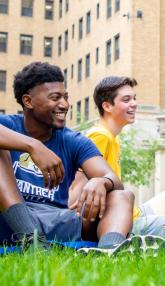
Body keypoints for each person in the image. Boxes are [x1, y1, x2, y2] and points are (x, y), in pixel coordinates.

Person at [0, 62, 136, 255]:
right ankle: (32, 242)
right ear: (28, 101)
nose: (64, 105)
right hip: (10, 219)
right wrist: (33, 145)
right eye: (55, 98)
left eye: (65, 97)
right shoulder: (7, 125)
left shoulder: (74, 140)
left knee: (122, 196)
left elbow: (113, 179)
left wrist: (102, 181)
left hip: (56, 219)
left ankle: (109, 254)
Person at [70, 76, 165, 238]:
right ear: (107, 106)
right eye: (126, 100)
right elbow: (78, 186)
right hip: (123, 224)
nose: (134, 104)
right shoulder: (99, 137)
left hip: (132, 213)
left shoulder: (113, 137)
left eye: (134, 98)